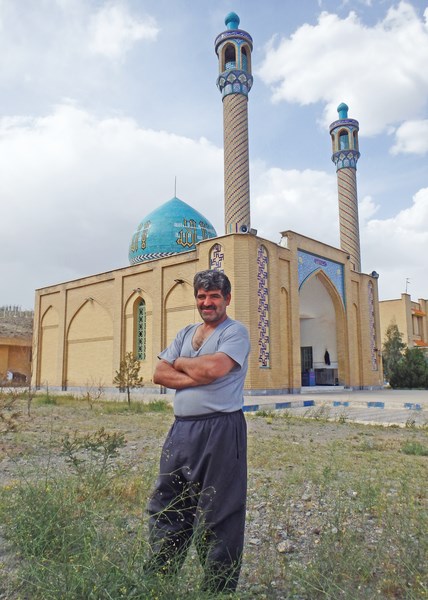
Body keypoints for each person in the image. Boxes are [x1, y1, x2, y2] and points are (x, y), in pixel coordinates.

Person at [147, 269, 251, 593]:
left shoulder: (235, 332)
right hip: (181, 431)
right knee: (169, 503)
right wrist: (198, 375)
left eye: (214, 296)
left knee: (219, 511)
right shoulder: (186, 332)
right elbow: (159, 373)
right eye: (202, 296)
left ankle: (217, 590)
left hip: (221, 430)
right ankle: (160, 580)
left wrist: (179, 363)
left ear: (227, 299)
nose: (207, 302)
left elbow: (215, 368)